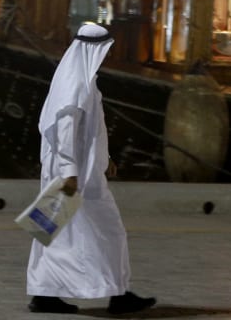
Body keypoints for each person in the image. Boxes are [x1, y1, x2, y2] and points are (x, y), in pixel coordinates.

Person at [26, 23, 156, 315]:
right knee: (108, 231)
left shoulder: (78, 79)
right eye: (104, 51)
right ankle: (117, 295)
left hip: (71, 173)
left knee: (49, 233)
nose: (106, 56)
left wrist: (104, 157)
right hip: (75, 179)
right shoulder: (77, 85)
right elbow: (64, 128)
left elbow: (91, 129)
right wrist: (70, 172)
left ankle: (43, 294)